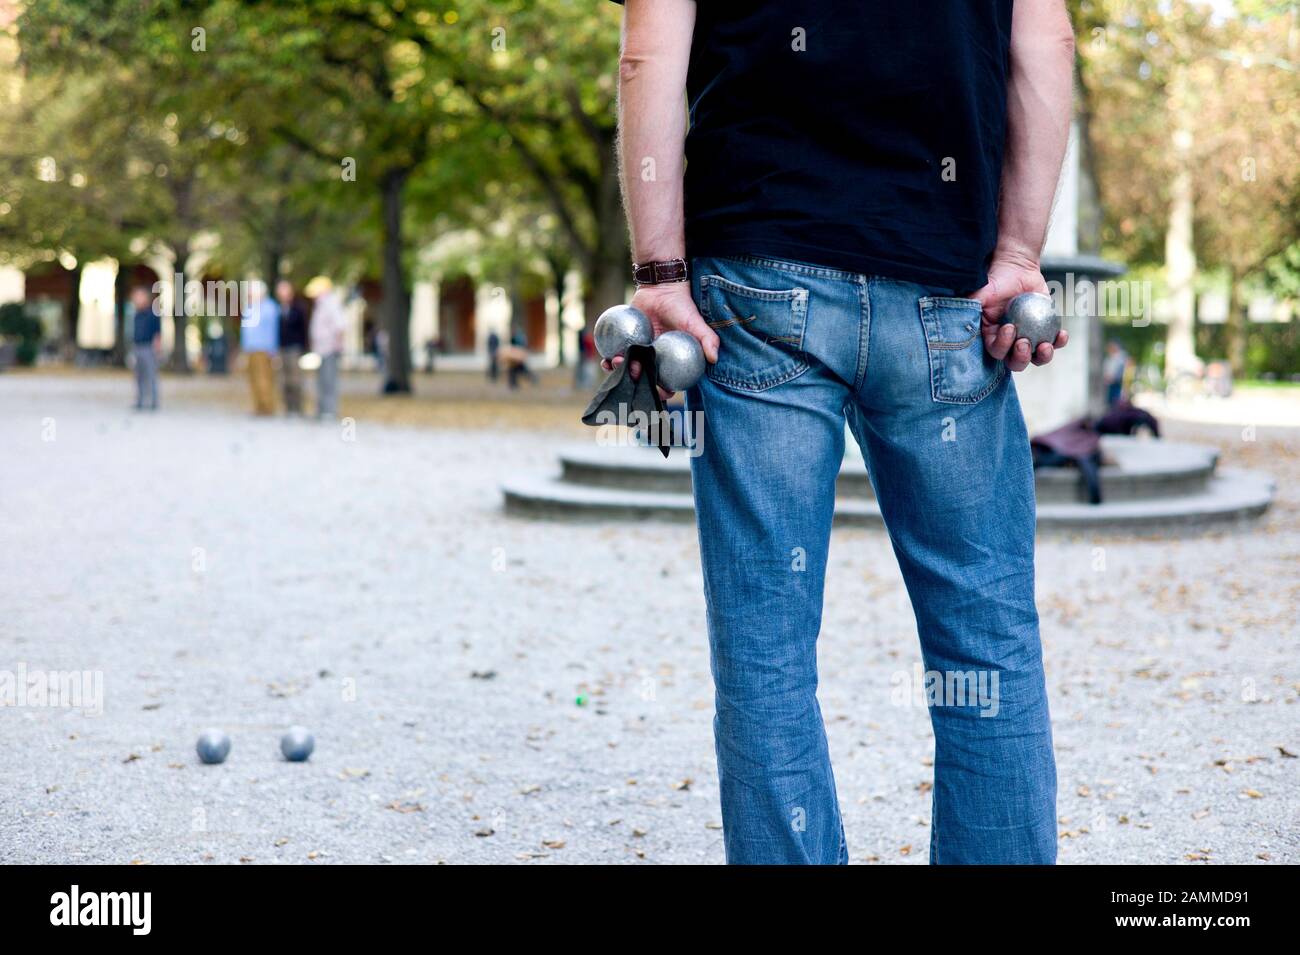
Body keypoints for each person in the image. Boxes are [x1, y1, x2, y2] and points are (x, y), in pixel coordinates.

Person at [611, 0, 1073, 864]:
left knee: (765, 644)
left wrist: (659, 269)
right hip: (946, 288)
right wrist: (1017, 252)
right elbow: (1045, 42)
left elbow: (648, 53)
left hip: (757, 281)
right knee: (986, 636)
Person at [307, 277, 348, 420]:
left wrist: (337, 345)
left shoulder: (331, 303)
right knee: (321, 380)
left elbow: (340, 326)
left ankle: (330, 411)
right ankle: (322, 410)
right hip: (321, 349)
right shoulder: (321, 305)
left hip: (329, 348)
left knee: (329, 380)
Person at [241, 280, 279, 416]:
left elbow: (272, 330)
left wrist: (273, 350)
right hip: (251, 349)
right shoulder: (250, 307)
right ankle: (259, 406)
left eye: (251, 294)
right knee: (254, 380)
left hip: (263, 349)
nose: (249, 296)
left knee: (264, 379)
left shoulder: (269, 308)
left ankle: (267, 407)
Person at [276, 279, 307, 415]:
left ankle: (297, 407)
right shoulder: (278, 309)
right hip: (282, 347)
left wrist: (303, 347)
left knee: (295, 379)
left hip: (294, 348)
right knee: (284, 380)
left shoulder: (298, 309)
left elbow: (303, 329)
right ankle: (288, 407)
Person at [129, 286, 161, 411]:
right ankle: (140, 401)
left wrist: (157, 348)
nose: (136, 299)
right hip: (138, 346)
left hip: (148, 347)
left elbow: (157, 333)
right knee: (139, 376)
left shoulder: (152, 314)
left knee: (151, 375)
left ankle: (154, 402)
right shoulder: (137, 314)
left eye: (139, 296)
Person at [1103, 340, 1128, 406]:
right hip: (1110, 384)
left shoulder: (1121, 357)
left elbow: (1121, 372)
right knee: (1111, 402)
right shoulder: (1109, 358)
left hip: (1117, 383)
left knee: (1116, 401)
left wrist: (1112, 378)